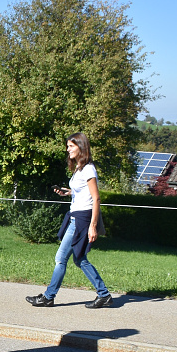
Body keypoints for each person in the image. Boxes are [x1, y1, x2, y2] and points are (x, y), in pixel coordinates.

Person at [26, 132, 112, 309]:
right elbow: (84, 193)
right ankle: (104, 295)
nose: (68, 149)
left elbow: (96, 198)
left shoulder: (88, 169)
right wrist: (69, 192)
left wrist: (93, 226)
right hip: (76, 216)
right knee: (79, 259)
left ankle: (49, 297)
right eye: (68, 146)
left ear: (81, 146)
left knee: (61, 258)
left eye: (71, 146)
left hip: (82, 219)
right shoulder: (80, 169)